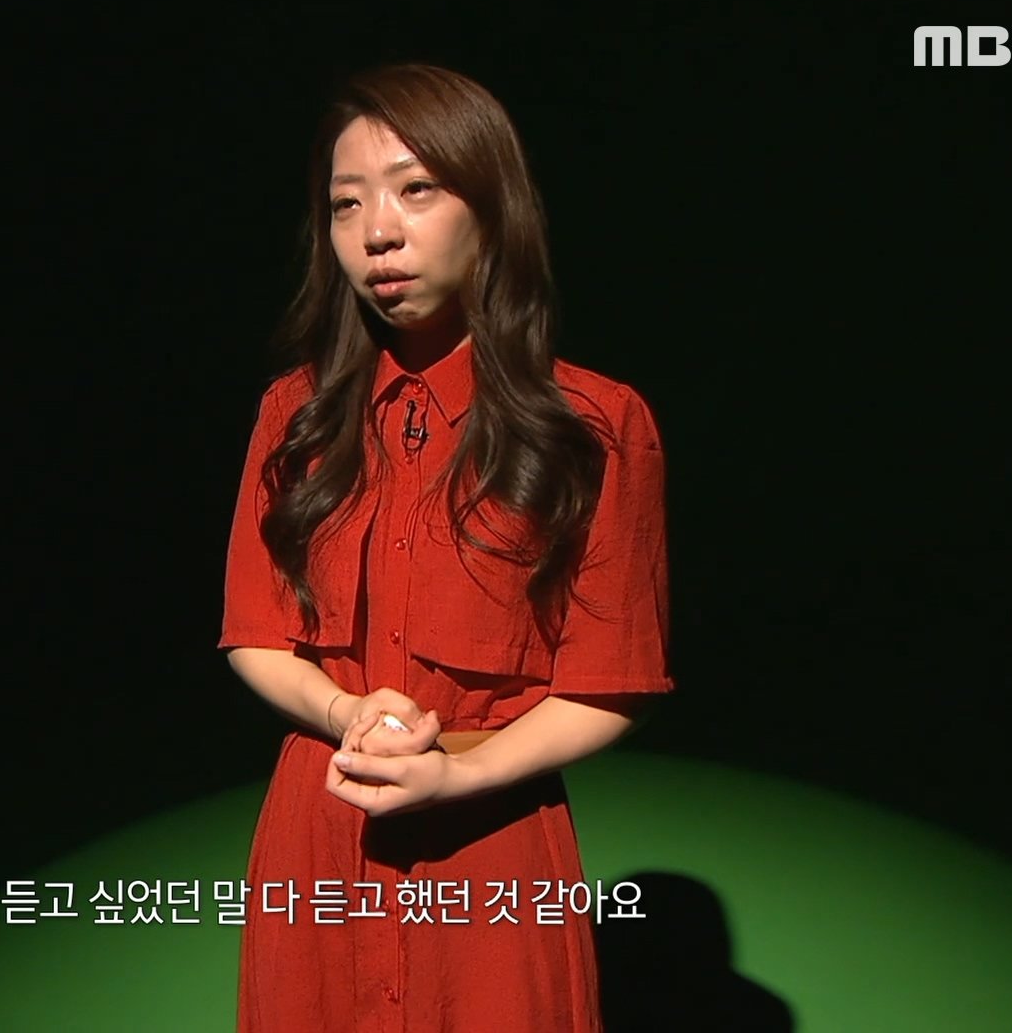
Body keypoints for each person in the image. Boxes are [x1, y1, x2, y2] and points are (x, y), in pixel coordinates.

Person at [218, 63, 674, 1031]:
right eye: (346, 204)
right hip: (319, 830)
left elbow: (611, 681)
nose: (377, 232)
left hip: (491, 839)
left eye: (416, 189)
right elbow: (255, 632)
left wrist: (460, 775)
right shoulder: (294, 415)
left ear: (494, 210)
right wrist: (343, 708)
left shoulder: (597, 424)